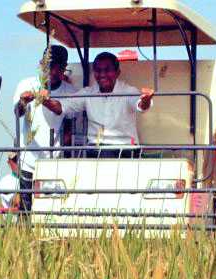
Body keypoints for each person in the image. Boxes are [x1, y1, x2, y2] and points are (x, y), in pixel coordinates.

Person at [43, 52, 154, 158]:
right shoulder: (87, 93)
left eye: (107, 70)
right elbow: (61, 107)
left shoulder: (128, 91)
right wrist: (44, 100)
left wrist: (146, 99)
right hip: (96, 151)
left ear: (117, 72)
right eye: (98, 70)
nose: (102, 74)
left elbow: (140, 105)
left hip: (125, 150)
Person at [13, 45, 76, 183]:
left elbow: (62, 113)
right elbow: (18, 113)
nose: (52, 71)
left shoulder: (70, 91)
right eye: (48, 66)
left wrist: (41, 99)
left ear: (64, 68)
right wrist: (23, 102)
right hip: (27, 160)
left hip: (54, 160)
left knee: (51, 202)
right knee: (26, 204)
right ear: (41, 64)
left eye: (58, 67)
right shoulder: (25, 84)